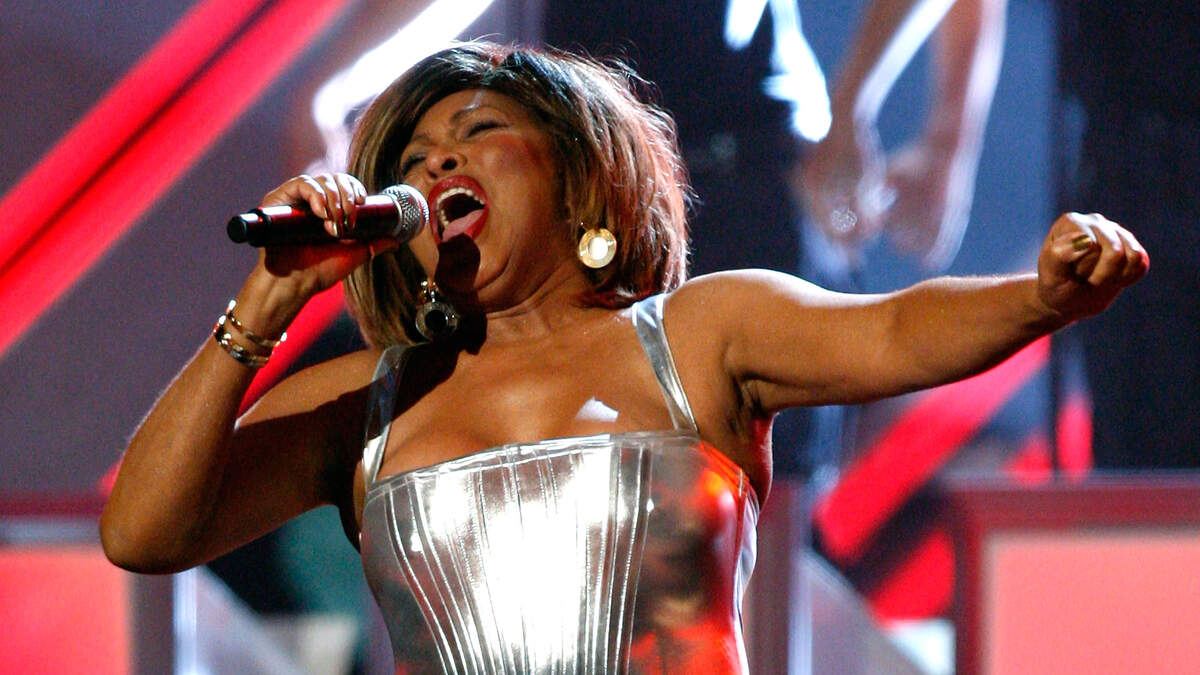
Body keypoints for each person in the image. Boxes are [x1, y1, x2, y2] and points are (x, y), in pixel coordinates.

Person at [100, 42, 1147, 672]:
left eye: (477, 131)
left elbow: (895, 330)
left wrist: (1039, 296)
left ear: (582, 174)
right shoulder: (366, 406)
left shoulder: (701, 333)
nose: (438, 160)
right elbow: (143, 532)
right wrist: (267, 301)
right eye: (413, 159)